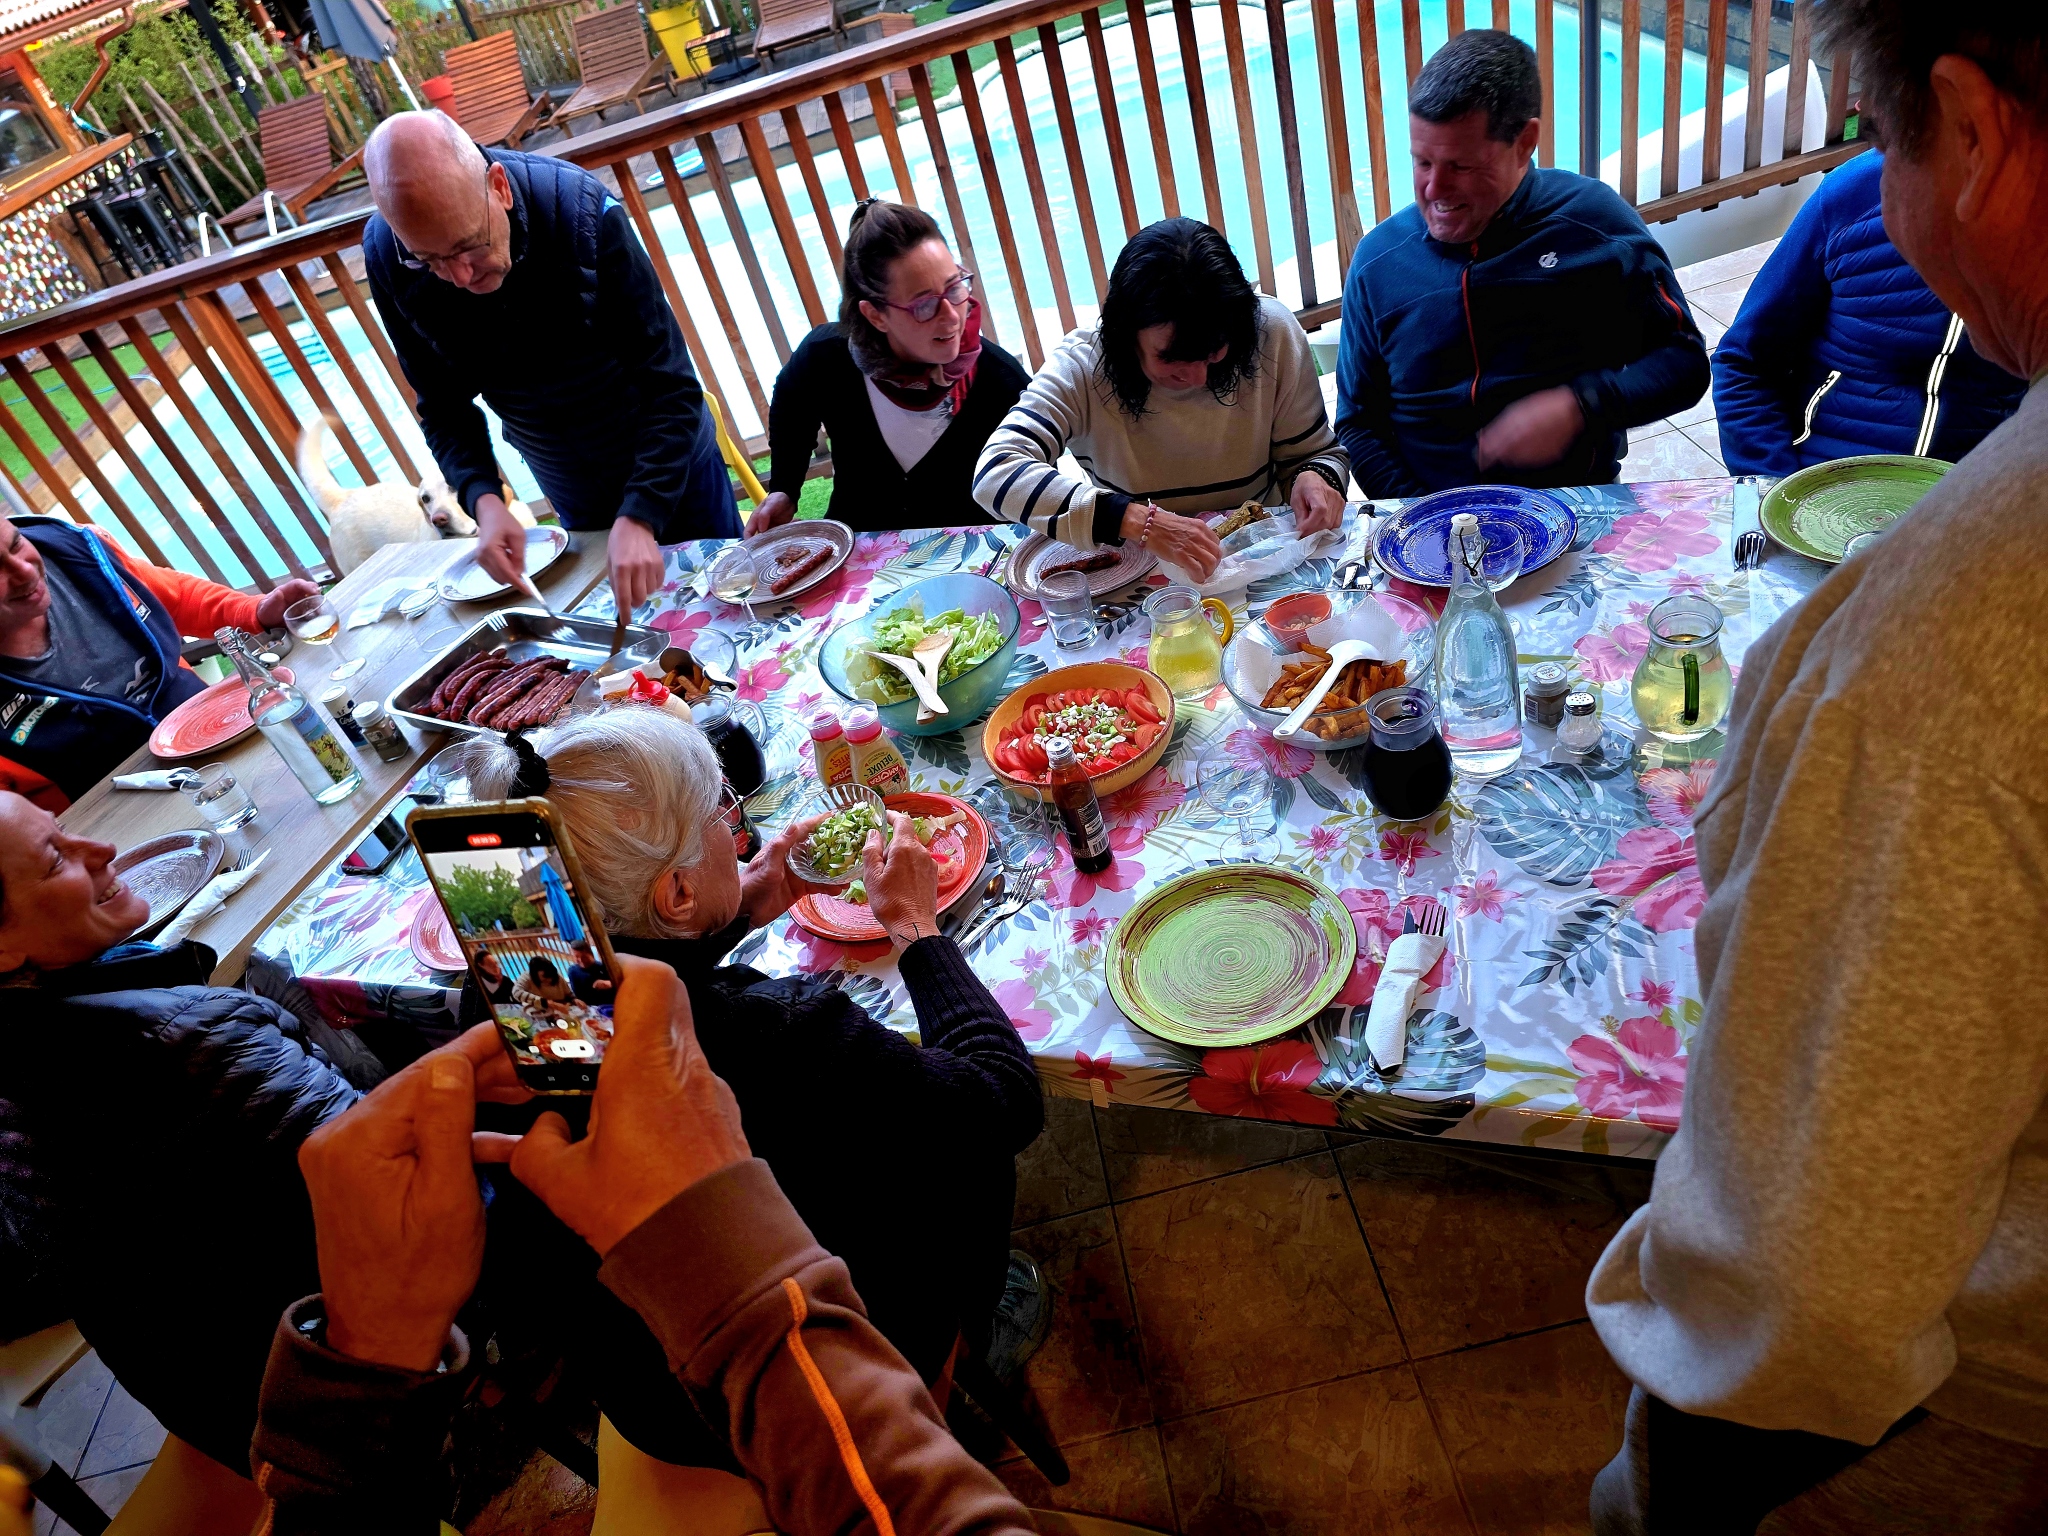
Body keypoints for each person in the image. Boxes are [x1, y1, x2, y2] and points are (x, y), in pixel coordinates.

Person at [1585, 4, 2048, 1531]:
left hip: (1962, 1413)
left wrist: (1670, 1467)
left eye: (1885, 133)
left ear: (1973, 130)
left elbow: (1804, 1271)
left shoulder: (1956, 643)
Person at [252, 963, 1041, 1534]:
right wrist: (726, 1252)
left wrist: (367, 1362)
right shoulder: (781, 1027)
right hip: (848, 1373)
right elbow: (905, 1512)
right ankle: (986, 1325)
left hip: (649, 1420)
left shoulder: (521, 1067)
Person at [463, 708, 1042, 1467]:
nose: (737, 836)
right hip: (807, 1396)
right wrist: (915, 930)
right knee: (963, 1146)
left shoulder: (519, 992)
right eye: (720, 817)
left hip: (653, 1393)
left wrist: (731, 910)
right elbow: (1005, 1097)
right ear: (673, 894)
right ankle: (971, 1335)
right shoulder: (780, 1034)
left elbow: (641, 979)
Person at [0, 789, 354, 1530]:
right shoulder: (177, 1046)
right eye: (57, 857)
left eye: (66, 829)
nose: (103, 851)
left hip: (213, 1404)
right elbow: (399, 1171)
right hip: (331, 1381)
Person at [362, 112, 739, 617]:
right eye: (429, 260)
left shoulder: (584, 214)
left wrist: (643, 512)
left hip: (671, 462)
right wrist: (484, 500)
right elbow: (443, 404)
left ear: (499, 187)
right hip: (564, 474)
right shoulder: (389, 257)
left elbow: (669, 384)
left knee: (731, 602)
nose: (457, 275)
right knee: (634, 628)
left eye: (468, 245)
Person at [1335, 29, 1710, 497]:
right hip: (1428, 519)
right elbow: (1357, 423)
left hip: (1576, 508)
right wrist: (1422, 516)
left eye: (1461, 166)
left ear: (1525, 141)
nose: (1434, 190)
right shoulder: (1379, 263)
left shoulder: (1594, 226)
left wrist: (1581, 405)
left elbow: (1686, 364)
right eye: (1422, 163)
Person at [973, 218, 1349, 582]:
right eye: (1172, 358)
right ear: (1125, 335)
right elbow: (995, 473)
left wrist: (1314, 478)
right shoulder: (1083, 366)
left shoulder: (1269, 334)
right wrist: (1138, 521)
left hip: (1259, 558)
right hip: (1136, 571)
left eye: (1214, 351)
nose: (1199, 377)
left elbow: (1315, 454)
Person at [1712, 149, 2026, 475]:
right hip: (1822, 482)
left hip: (1975, 494)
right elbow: (1744, 362)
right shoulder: (1856, 192)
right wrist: (1769, 489)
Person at [0, 511, 318, 810]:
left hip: (222, 740)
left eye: (16, 544)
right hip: (124, 819)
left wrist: (254, 612)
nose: (25, 571)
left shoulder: (76, 549)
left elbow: (173, 598)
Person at [750, 200, 1029, 535]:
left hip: (974, 561)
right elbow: (792, 405)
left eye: (954, 286)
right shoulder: (825, 357)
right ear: (875, 315)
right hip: (859, 549)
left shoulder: (1001, 381)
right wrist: (784, 487)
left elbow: (1034, 482)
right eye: (924, 304)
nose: (953, 316)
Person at [565, 936, 613, 1004]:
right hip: (589, 1007)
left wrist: (608, 983)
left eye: (584, 957)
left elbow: (617, 985)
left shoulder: (602, 967)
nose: (581, 960)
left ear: (591, 954)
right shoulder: (572, 971)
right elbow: (578, 994)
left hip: (609, 1004)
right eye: (576, 957)